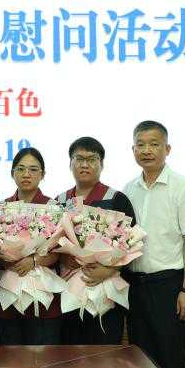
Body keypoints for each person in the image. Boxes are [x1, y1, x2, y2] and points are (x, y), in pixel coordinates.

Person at [122, 121, 185, 368]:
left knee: (172, 360)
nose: (147, 150)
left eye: (154, 144)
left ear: (167, 149)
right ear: (133, 149)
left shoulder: (183, 188)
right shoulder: (128, 189)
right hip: (135, 286)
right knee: (140, 362)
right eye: (141, 145)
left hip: (169, 286)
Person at [56, 136, 136, 346]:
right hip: (69, 290)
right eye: (79, 159)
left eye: (92, 159)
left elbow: (131, 243)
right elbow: (49, 243)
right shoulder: (60, 201)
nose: (85, 164)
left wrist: (110, 269)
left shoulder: (116, 199)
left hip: (107, 289)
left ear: (102, 164)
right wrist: (63, 259)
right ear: (70, 163)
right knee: (70, 354)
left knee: (105, 352)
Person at [0, 147, 62, 345]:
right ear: (12, 173)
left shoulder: (54, 208)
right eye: (20, 169)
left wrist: (34, 261)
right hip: (8, 286)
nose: (26, 174)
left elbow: (60, 250)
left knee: (43, 352)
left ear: (43, 174)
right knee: (9, 352)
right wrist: (6, 258)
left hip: (43, 290)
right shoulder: (0, 208)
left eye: (33, 169)